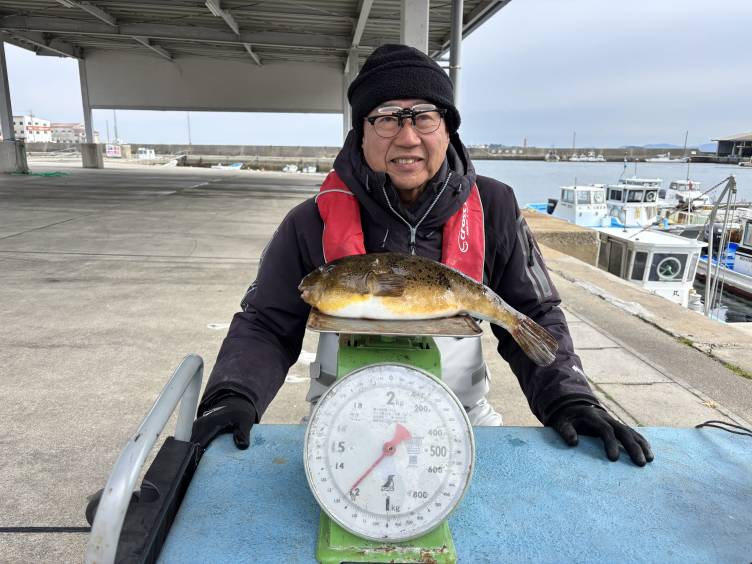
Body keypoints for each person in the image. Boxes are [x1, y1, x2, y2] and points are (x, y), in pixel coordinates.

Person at [191, 44, 654, 467]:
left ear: (447, 128)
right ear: (361, 132)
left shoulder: (494, 206)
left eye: (424, 117)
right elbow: (266, 322)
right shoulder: (311, 220)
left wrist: (571, 399)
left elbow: (533, 312)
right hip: (341, 412)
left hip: (462, 413)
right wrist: (233, 396)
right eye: (386, 118)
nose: (407, 137)